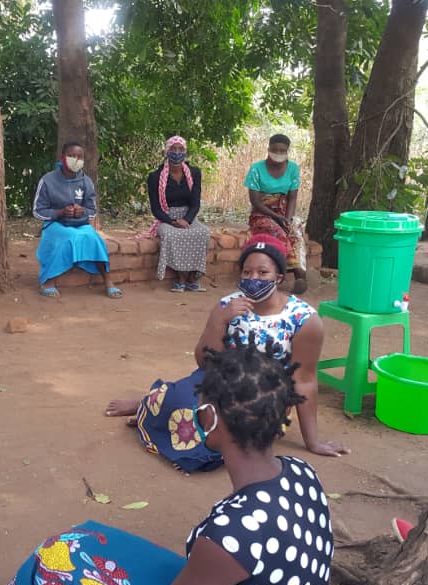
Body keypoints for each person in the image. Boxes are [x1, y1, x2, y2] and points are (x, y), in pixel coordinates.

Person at [0, 342, 334, 585]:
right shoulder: (303, 473)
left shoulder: (228, 536)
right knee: (83, 538)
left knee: (49, 565)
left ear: (209, 417)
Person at [105, 236, 350, 468]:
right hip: (219, 383)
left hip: (264, 400)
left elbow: (304, 381)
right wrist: (219, 321)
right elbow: (203, 363)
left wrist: (312, 441)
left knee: (221, 431)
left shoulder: (304, 319)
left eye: (263, 272)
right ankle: (147, 404)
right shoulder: (227, 305)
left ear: (279, 276)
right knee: (179, 400)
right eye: (247, 272)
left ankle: (155, 409)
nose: (253, 278)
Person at [32, 141, 121, 299]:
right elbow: (38, 211)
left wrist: (82, 212)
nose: (76, 159)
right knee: (68, 237)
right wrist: (59, 212)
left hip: (80, 224)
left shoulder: (86, 181)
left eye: (80, 157)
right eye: (71, 156)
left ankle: (108, 281)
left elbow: (92, 210)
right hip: (55, 224)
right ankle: (48, 281)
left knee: (94, 239)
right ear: (63, 157)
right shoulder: (47, 180)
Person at [140, 135, 211, 292]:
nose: (177, 153)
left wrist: (187, 219)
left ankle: (193, 277)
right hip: (166, 217)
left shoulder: (194, 173)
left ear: (185, 152)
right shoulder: (155, 177)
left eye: (180, 149)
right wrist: (173, 221)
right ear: (167, 151)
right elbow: (156, 209)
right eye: (173, 149)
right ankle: (180, 277)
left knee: (203, 232)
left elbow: (195, 203)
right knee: (171, 235)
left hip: (188, 216)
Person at [245, 134, 308, 294]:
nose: (278, 153)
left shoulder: (293, 168)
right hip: (262, 214)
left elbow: (293, 197)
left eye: (282, 150)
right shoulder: (256, 169)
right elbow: (256, 202)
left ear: (287, 151)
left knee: (296, 230)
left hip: (284, 212)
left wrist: (287, 218)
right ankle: (285, 273)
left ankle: (300, 274)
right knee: (278, 233)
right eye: (275, 149)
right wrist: (276, 217)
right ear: (268, 149)